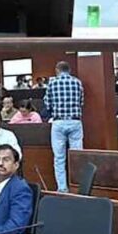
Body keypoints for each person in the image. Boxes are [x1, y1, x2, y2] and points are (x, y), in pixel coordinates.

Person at [44, 61, 84, 193]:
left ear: (57, 70)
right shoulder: (77, 82)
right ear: (69, 70)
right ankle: (78, 188)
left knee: (59, 158)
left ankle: (62, 189)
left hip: (59, 122)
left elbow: (47, 104)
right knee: (77, 156)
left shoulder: (52, 83)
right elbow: (81, 102)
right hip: (75, 121)